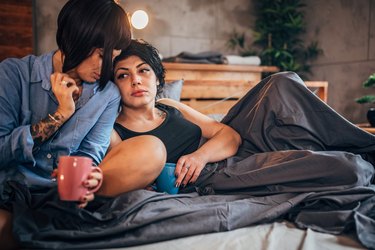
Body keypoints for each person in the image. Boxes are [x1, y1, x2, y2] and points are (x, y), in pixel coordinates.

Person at [97, 39, 375, 198]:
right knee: (349, 170)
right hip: (216, 179)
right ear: (114, 85)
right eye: (123, 75)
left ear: (157, 79)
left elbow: (229, 135)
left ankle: (365, 143)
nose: (135, 80)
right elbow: (123, 179)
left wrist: (200, 156)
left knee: (282, 83)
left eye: (143, 71)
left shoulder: (170, 105)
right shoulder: (114, 130)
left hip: (236, 155)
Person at [0, 0, 131, 248]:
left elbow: (91, 152)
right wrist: (61, 114)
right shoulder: (13, 74)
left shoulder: (108, 94)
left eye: (112, 59)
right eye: (102, 56)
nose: (106, 69)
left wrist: (87, 179)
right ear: (75, 38)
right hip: (9, 191)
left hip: (60, 196)